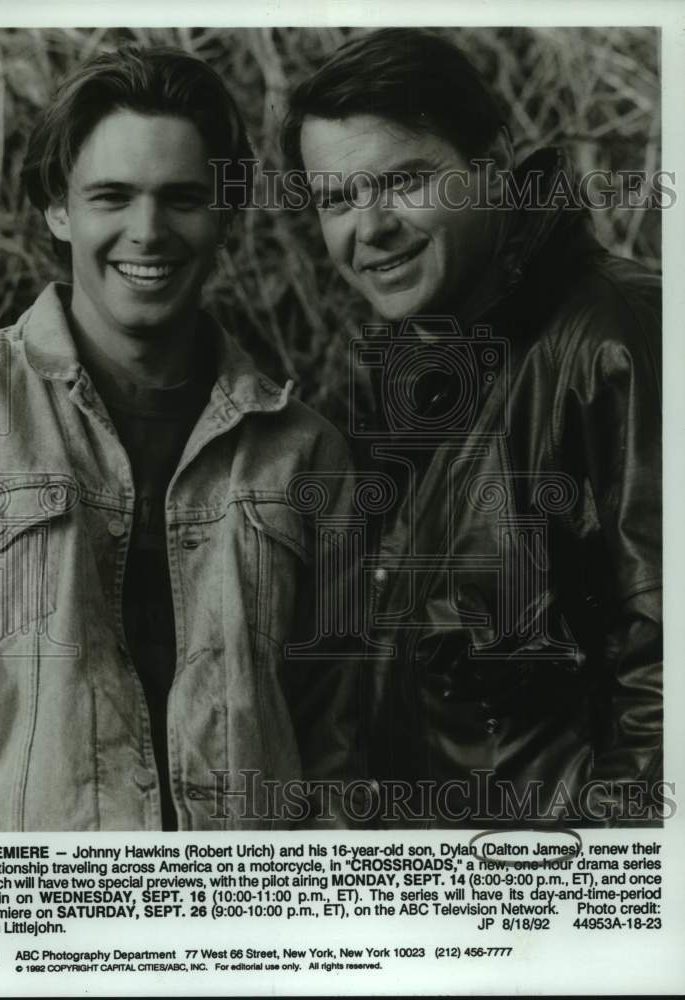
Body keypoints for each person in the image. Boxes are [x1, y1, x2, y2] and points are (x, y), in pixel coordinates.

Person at [0, 45, 358, 832]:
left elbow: (341, 745)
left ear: (227, 214)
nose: (147, 232)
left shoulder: (306, 454)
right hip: (27, 923)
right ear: (57, 208)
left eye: (183, 199)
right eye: (111, 196)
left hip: (243, 919)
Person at [282, 28, 663, 825]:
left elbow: (665, 679)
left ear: (492, 165)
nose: (370, 227)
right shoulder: (416, 367)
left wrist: (607, 913)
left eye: (404, 181)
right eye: (337, 200)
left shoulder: (623, 339)